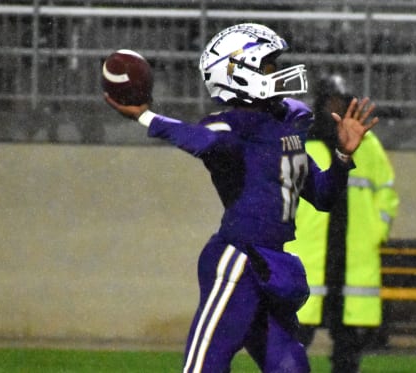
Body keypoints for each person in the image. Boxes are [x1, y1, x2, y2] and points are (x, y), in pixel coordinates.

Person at [103, 23, 379, 373]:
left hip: (270, 265)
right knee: (204, 367)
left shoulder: (283, 128)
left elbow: (323, 196)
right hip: (237, 262)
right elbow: (203, 140)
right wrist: (145, 116)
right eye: (267, 65)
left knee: (291, 368)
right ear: (239, 72)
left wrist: (342, 157)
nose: (277, 72)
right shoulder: (234, 127)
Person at [285, 74, 399, 373]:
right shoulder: (301, 144)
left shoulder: (367, 144)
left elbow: (386, 191)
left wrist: (377, 231)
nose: (335, 109)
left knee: (348, 348)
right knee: (294, 341)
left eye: (341, 102)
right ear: (320, 104)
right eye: (330, 102)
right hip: (310, 255)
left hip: (352, 258)